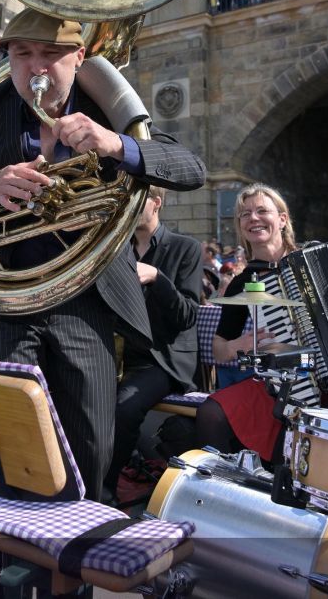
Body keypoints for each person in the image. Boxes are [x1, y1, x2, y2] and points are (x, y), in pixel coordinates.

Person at [0, 9, 206, 499]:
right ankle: (5, 564)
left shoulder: (107, 105)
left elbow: (190, 167)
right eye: (21, 54)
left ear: (79, 56)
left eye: (50, 54)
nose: (36, 67)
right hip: (2, 304)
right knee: (3, 451)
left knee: (89, 453)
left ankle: (71, 570)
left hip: (87, 306)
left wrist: (116, 144)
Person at [194, 183, 320, 464]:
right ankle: (235, 493)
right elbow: (219, 348)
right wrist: (239, 345)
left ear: (282, 219)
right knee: (211, 413)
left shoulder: (317, 259)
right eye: (245, 214)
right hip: (284, 383)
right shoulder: (243, 282)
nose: (254, 218)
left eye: (262, 210)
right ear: (240, 226)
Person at [103, 186, 202, 500]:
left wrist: (158, 278)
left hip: (163, 360)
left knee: (123, 407)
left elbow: (187, 315)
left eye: (135, 199)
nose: (127, 206)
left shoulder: (186, 248)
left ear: (156, 203)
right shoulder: (118, 248)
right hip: (125, 356)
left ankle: (104, 493)